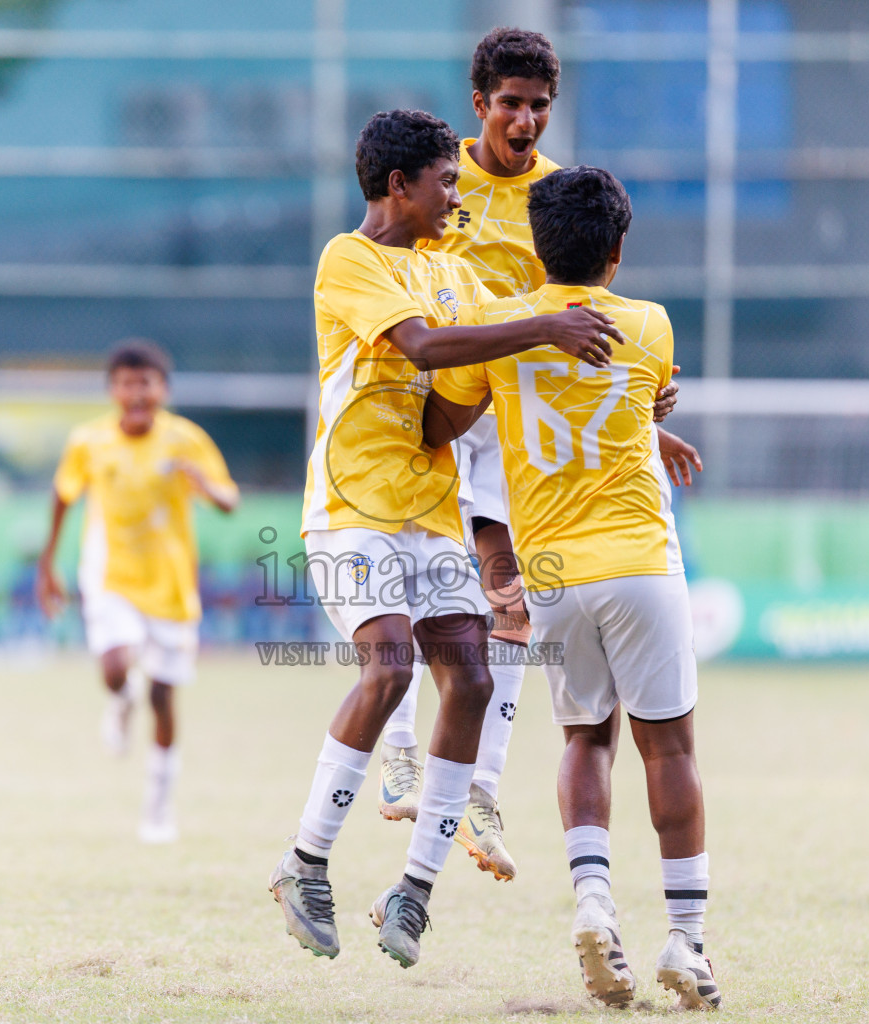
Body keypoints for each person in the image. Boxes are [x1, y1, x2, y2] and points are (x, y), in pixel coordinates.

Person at [268, 108, 627, 970]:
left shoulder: (453, 273)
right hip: (352, 505)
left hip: (431, 509)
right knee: (391, 667)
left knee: (469, 678)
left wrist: (637, 399)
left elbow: (471, 382)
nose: (457, 196)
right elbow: (426, 348)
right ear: (400, 186)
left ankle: (414, 889)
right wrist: (539, 329)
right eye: (445, 181)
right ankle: (305, 862)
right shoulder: (349, 258)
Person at [377, 26, 703, 885]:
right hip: (430, 398)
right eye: (511, 104)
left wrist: (643, 417)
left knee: (512, 605)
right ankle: (400, 750)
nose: (525, 121)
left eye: (540, 106)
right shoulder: (434, 177)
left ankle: (479, 788)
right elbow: (381, 262)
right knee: (406, 579)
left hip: (506, 420)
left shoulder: (557, 196)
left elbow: (578, 331)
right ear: (479, 104)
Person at [423, 166, 720, 1009]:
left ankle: (594, 901)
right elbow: (640, 397)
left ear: (536, 244)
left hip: (552, 573)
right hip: (640, 564)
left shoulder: (501, 330)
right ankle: (687, 941)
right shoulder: (650, 324)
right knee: (670, 750)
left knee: (586, 741)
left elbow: (446, 422)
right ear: (618, 250)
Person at [36, 340, 238, 844]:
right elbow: (63, 494)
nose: (137, 393)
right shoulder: (89, 441)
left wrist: (205, 484)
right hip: (111, 575)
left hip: (170, 585)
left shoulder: (185, 440)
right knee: (114, 666)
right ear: (113, 390)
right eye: (127, 384)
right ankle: (121, 699)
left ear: (162, 389)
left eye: (146, 383)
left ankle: (158, 806)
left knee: (164, 696)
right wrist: (47, 562)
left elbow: (229, 499)